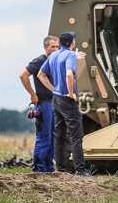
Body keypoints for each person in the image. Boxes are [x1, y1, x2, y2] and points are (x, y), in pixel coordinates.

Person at [37, 31, 93, 176]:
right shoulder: (69, 55)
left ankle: (61, 168)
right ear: (72, 43)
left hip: (55, 99)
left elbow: (40, 75)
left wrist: (54, 89)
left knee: (59, 134)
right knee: (76, 135)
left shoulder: (54, 55)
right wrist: (70, 92)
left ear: (61, 43)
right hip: (67, 99)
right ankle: (80, 170)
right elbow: (69, 74)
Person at [19, 35, 60, 172]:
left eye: (57, 47)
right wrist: (32, 94)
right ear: (45, 47)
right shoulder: (39, 61)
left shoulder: (56, 61)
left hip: (55, 104)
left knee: (53, 137)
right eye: (52, 47)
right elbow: (23, 75)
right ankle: (39, 169)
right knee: (44, 137)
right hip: (43, 104)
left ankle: (49, 168)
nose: (55, 49)